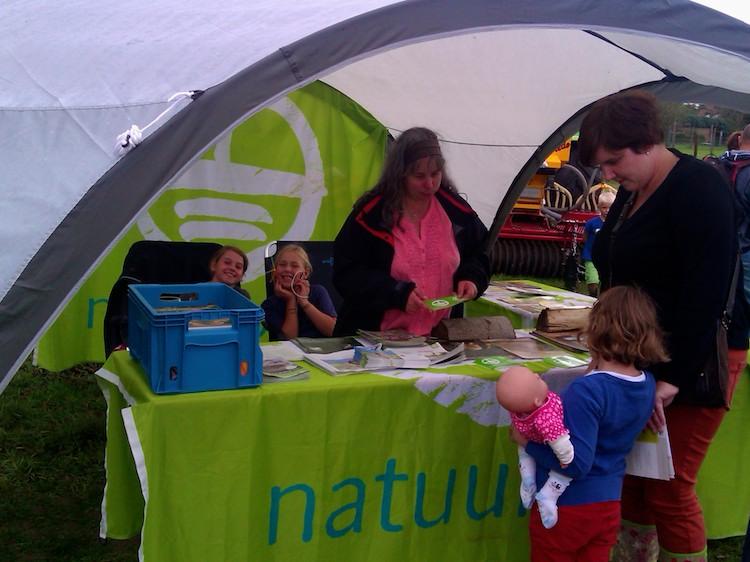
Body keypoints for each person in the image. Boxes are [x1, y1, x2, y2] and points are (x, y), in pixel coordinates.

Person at [579, 90, 740, 562]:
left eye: (614, 160)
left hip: (693, 364)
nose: (607, 174)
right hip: (642, 362)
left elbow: (706, 294)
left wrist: (671, 380)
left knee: (670, 487)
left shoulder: (699, 189)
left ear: (647, 142)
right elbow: (612, 261)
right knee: (633, 480)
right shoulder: (631, 194)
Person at [509, 286, 663, 561]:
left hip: (567, 506)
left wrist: (527, 443)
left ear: (596, 329)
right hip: (608, 503)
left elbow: (578, 463)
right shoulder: (646, 383)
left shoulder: (587, 391)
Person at [332, 127, 490, 336]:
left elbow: (481, 253)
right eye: (419, 176)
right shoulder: (371, 215)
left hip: (439, 338)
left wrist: (471, 278)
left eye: (435, 174)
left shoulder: (457, 211)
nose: (429, 184)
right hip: (375, 339)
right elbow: (347, 273)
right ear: (401, 173)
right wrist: (396, 293)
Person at [496, 365, 574, 529]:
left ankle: (527, 477)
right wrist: (566, 459)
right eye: (537, 379)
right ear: (537, 401)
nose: (538, 375)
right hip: (545, 443)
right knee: (565, 473)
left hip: (527, 437)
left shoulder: (519, 408)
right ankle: (548, 495)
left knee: (524, 453)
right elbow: (559, 441)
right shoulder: (546, 418)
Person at [262, 244, 336, 340]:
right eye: (282, 265)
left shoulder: (318, 292)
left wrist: (304, 302)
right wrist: (291, 300)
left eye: (294, 265)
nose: (287, 269)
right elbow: (290, 338)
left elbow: (332, 330)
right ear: (275, 271)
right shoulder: (269, 304)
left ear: (306, 273)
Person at [581, 189, 616, 296]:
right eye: (604, 207)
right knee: (593, 281)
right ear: (599, 207)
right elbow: (585, 236)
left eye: (610, 207)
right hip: (591, 256)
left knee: (608, 283)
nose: (607, 210)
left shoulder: (616, 223)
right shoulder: (592, 223)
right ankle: (592, 296)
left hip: (609, 257)